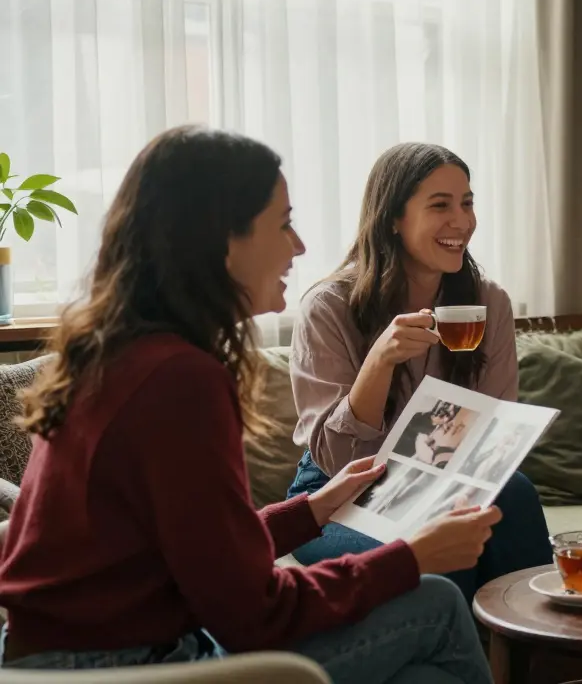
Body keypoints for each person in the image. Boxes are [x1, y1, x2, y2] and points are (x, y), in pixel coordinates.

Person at [0, 126, 497, 684]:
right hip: (121, 668)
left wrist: (313, 510)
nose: (300, 246)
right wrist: (413, 556)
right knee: (434, 602)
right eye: (283, 224)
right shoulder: (179, 379)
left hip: (64, 655)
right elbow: (256, 613)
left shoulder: (123, 353)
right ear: (223, 239)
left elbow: (199, 551)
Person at [285, 142, 551, 601]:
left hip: (447, 479)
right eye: (440, 205)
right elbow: (336, 461)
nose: (462, 221)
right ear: (393, 218)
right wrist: (380, 362)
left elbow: (495, 429)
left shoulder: (488, 302)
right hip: (340, 494)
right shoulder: (329, 307)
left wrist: (450, 482)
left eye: (467, 203)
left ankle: (544, 654)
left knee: (516, 493)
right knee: (433, 552)